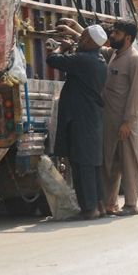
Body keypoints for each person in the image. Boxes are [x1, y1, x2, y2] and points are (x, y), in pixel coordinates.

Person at [47, 24, 109, 220]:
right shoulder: (97, 60)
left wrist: (61, 48)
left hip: (81, 118)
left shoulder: (84, 59)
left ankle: (89, 208)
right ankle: (99, 205)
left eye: (82, 37)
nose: (79, 39)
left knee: (83, 164)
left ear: (90, 41)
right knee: (92, 164)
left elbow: (52, 59)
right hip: (89, 118)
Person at [102, 21, 138, 217]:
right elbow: (96, 44)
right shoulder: (114, 54)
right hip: (110, 121)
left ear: (127, 37)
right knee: (110, 164)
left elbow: (136, 95)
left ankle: (131, 204)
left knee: (129, 164)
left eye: (116, 33)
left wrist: (128, 122)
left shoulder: (134, 59)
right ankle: (110, 204)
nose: (112, 35)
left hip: (125, 122)